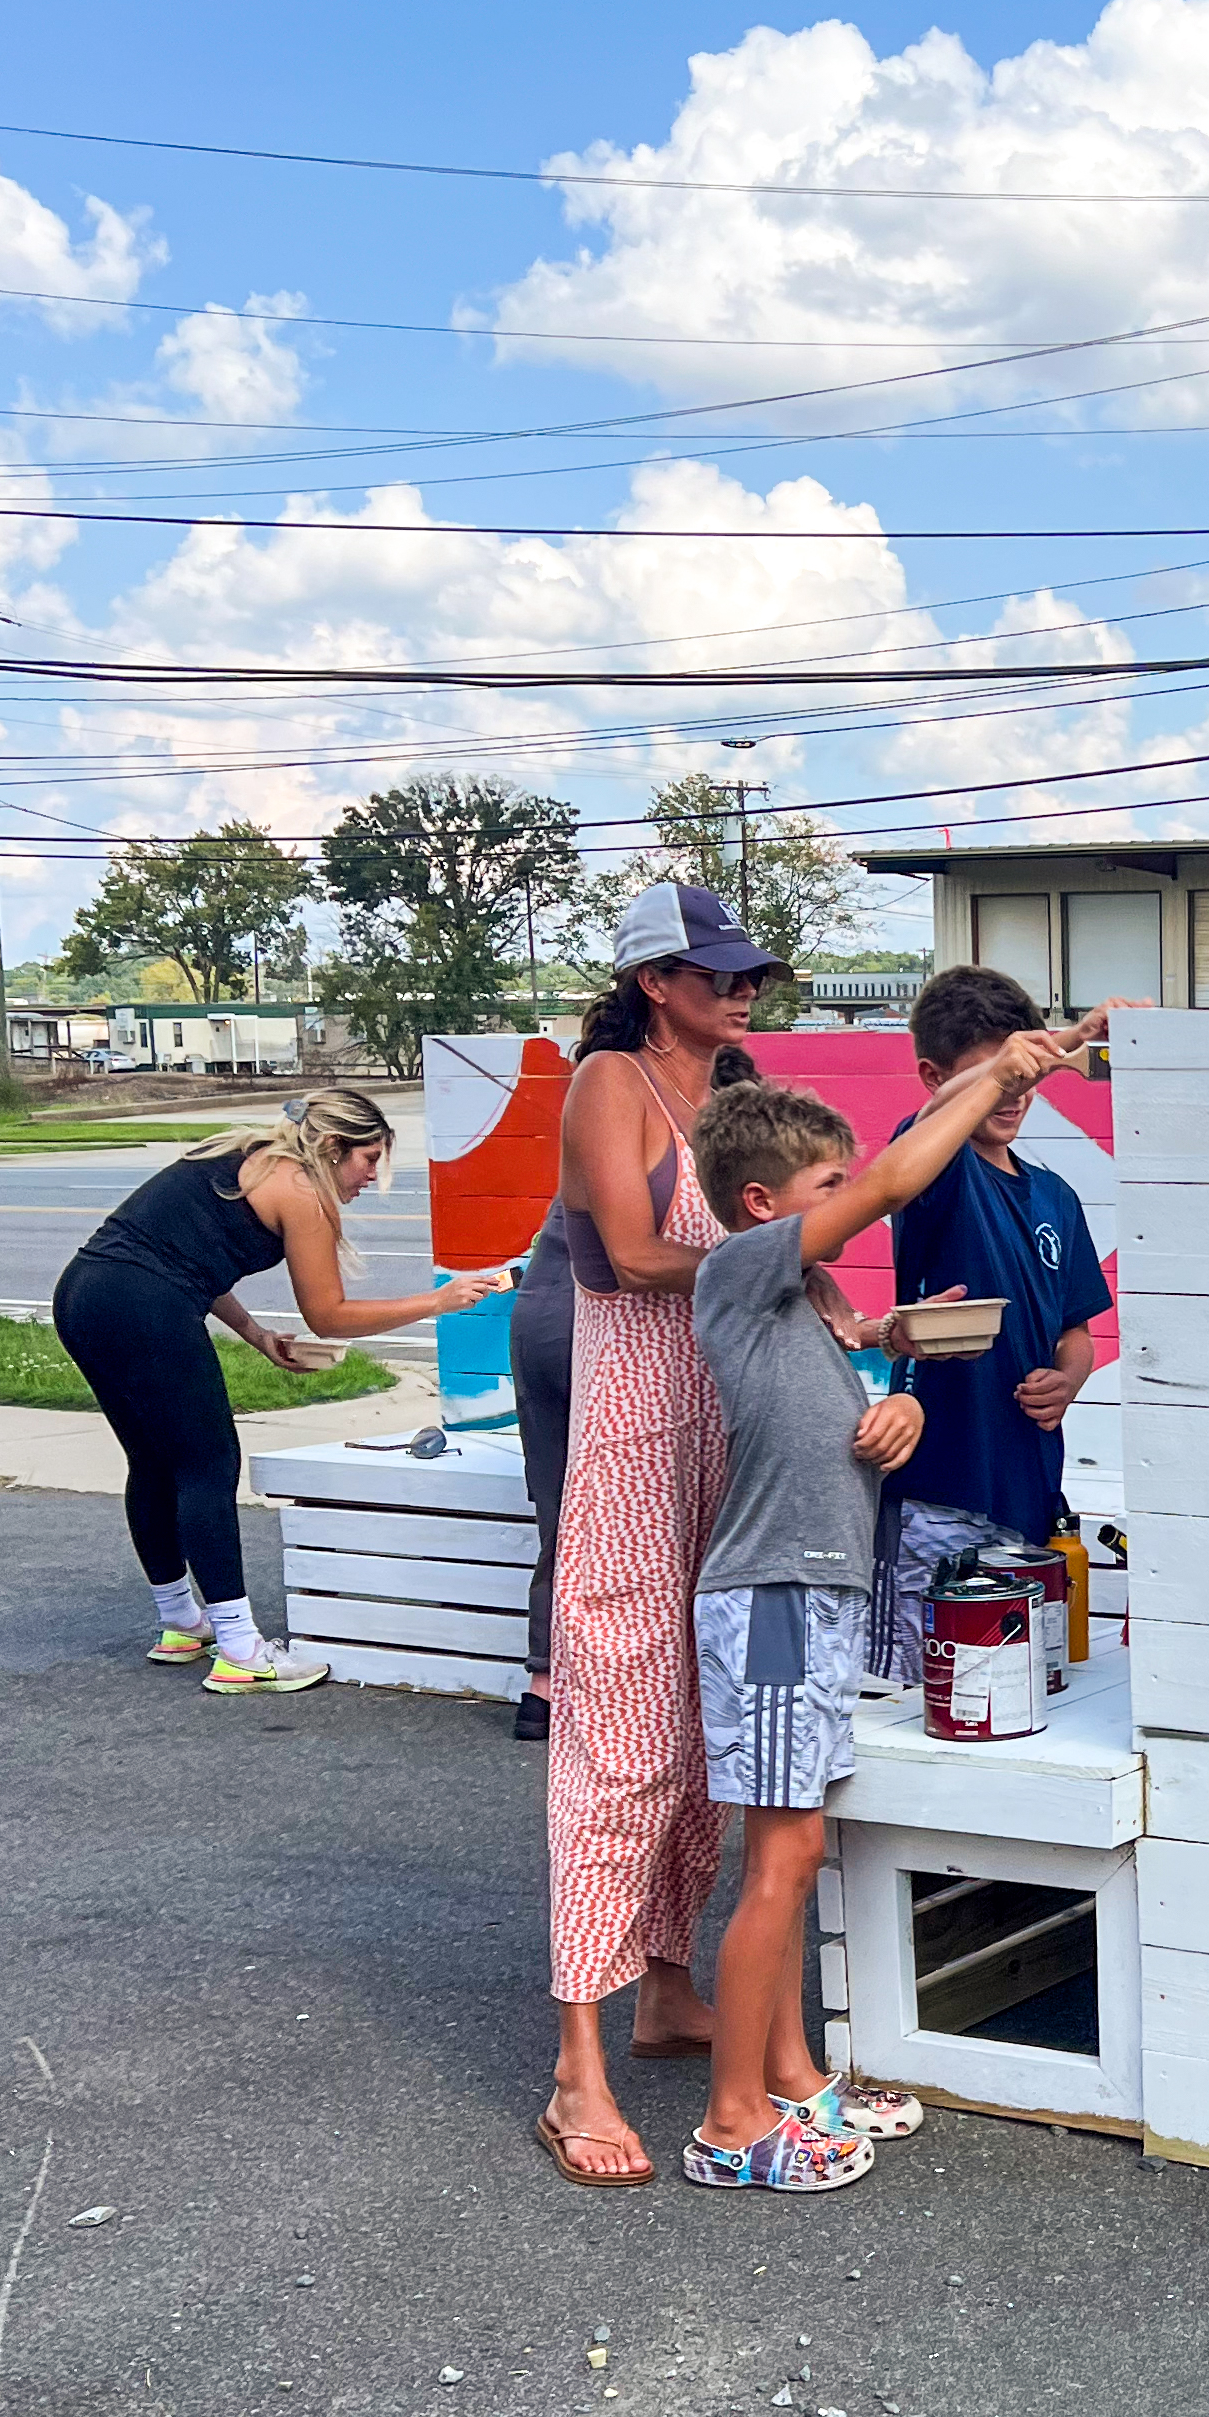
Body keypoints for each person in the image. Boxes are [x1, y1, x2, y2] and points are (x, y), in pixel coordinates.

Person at [677, 1072, 1052, 2191]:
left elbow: (839, 1430)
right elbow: (893, 1180)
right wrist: (999, 1074)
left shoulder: (809, 1307)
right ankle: (732, 2126)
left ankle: (789, 2077)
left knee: (795, 1853)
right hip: (776, 1602)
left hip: (813, 1599)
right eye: (827, 1186)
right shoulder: (741, 1270)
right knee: (780, 1859)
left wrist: (902, 1397)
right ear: (761, 1204)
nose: (853, 1201)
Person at [539, 886, 778, 2184]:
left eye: (749, 975)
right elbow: (631, 1257)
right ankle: (576, 2068)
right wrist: (781, 1259)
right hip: (635, 1440)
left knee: (701, 1735)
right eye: (717, 974)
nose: (741, 992)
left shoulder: (729, 1090)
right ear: (652, 981)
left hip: (718, 1437)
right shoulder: (608, 1083)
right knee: (618, 1743)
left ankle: (667, 1984)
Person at [51, 1083, 509, 1694]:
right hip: (144, 1306)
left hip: (84, 1293)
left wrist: (256, 1334)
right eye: (369, 1158)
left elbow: (185, 1258)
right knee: (208, 1467)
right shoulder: (302, 1191)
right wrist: (438, 1301)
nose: (372, 1176)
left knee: (155, 1463)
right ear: (331, 1145)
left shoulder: (245, 1157)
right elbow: (329, 1316)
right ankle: (241, 1651)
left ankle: (181, 1621)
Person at [867, 965, 1116, 1683]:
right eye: (998, 1076)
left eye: (1027, 1077)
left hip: (1030, 1495)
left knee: (1020, 1697)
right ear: (934, 1077)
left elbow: (1076, 1330)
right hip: (939, 1490)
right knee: (931, 1698)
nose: (1016, 1094)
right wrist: (1056, 1046)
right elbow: (924, 1129)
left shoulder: (1056, 1196)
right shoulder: (935, 1168)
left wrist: (1067, 1379)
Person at [507, 1199, 574, 1745]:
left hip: (541, 1310)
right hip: (600, 1319)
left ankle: (543, 1686)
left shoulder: (586, 1160)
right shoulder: (687, 1156)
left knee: (560, 1513)